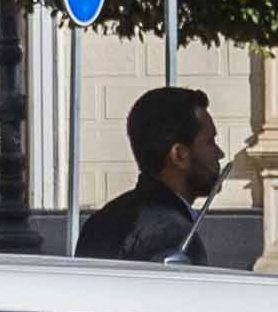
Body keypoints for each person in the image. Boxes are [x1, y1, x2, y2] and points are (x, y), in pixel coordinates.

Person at [77, 82, 229, 264]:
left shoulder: (101, 220)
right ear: (179, 155)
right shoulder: (174, 235)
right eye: (210, 142)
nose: (220, 153)